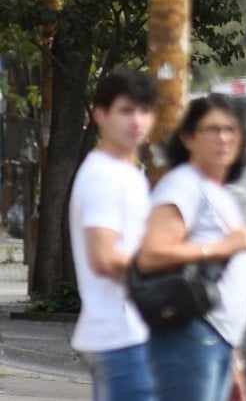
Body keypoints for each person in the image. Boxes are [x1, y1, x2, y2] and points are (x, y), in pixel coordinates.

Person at [136, 94, 246, 401]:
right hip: (191, 334)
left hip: (216, 339)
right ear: (188, 138)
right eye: (212, 129)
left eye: (231, 130)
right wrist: (219, 248)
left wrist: (236, 363)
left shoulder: (216, 191)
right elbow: (150, 255)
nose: (223, 138)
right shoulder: (183, 185)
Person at [69, 67, 158, 400]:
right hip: (118, 336)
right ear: (100, 115)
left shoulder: (126, 173)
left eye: (144, 110)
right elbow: (104, 257)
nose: (136, 120)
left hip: (130, 332)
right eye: (126, 110)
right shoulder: (103, 176)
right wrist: (165, 269)